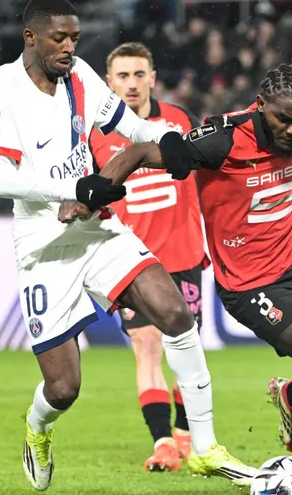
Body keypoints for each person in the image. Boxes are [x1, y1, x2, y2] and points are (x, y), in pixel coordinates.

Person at [65, 19, 292, 495]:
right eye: (285, 120)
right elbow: (141, 152)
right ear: (262, 108)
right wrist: (96, 193)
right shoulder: (222, 140)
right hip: (253, 285)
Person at [0, 0, 256, 491]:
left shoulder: (80, 75)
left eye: (74, 39)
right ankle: (37, 428)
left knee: (175, 314)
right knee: (64, 388)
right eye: (59, 39)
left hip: (97, 229)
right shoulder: (2, 89)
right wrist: (73, 189)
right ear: (29, 38)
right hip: (44, 246)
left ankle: (205, 447)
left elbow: (131, 128)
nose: (69, 47)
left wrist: (168, 139)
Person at [89, 42, 206, 472]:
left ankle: (185, 435)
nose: (132, 84)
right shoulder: (95, 134)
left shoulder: (178, 121)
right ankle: (162, 442)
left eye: (139, 74)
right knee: (147, 345)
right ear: (109, 82)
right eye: (122, 76)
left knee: (185, 346)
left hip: (183, 253)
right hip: (130, 259)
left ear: (153, 77)